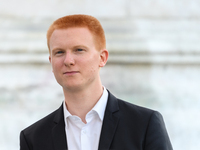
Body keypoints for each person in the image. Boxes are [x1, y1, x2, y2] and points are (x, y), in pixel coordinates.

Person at [20, 14, 173, 150]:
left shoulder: (144, 124)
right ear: (51, 61)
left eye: (79, 50)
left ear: (102, 58)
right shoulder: (33, 138)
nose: (68, 61)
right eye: (59, 52)